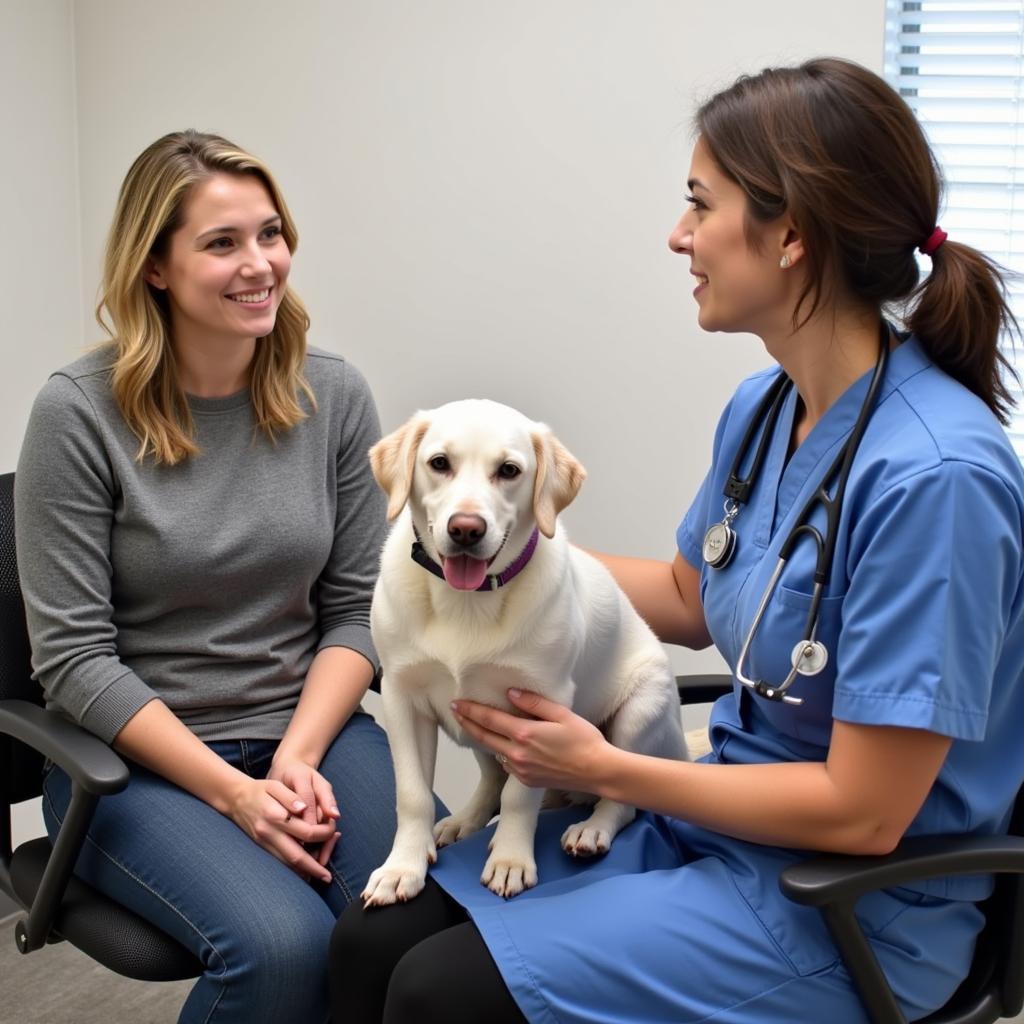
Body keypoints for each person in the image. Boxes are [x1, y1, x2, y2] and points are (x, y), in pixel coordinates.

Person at [328, 57, 1024, 1023]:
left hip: (854, 910)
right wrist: (479, 559)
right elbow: (693, 600)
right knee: (367, 940)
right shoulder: (766, 409)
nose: (678, 235)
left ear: (790, 236)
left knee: (438, 996)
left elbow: (867, 814)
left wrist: (601, 768)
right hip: (711, 826)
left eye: (701, 205)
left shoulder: (937, 479)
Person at [15, 130, 399, 1023]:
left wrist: (297, 758)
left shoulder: (332, 396)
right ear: (155, 266)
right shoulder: (77, 414)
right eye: (222, 243)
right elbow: (72, 659)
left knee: (400, 920)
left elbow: (356, 610)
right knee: (281, 950)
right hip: (134, 764)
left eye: (271, 233)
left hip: (308, 731)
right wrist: (236, 796)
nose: (260, 263)